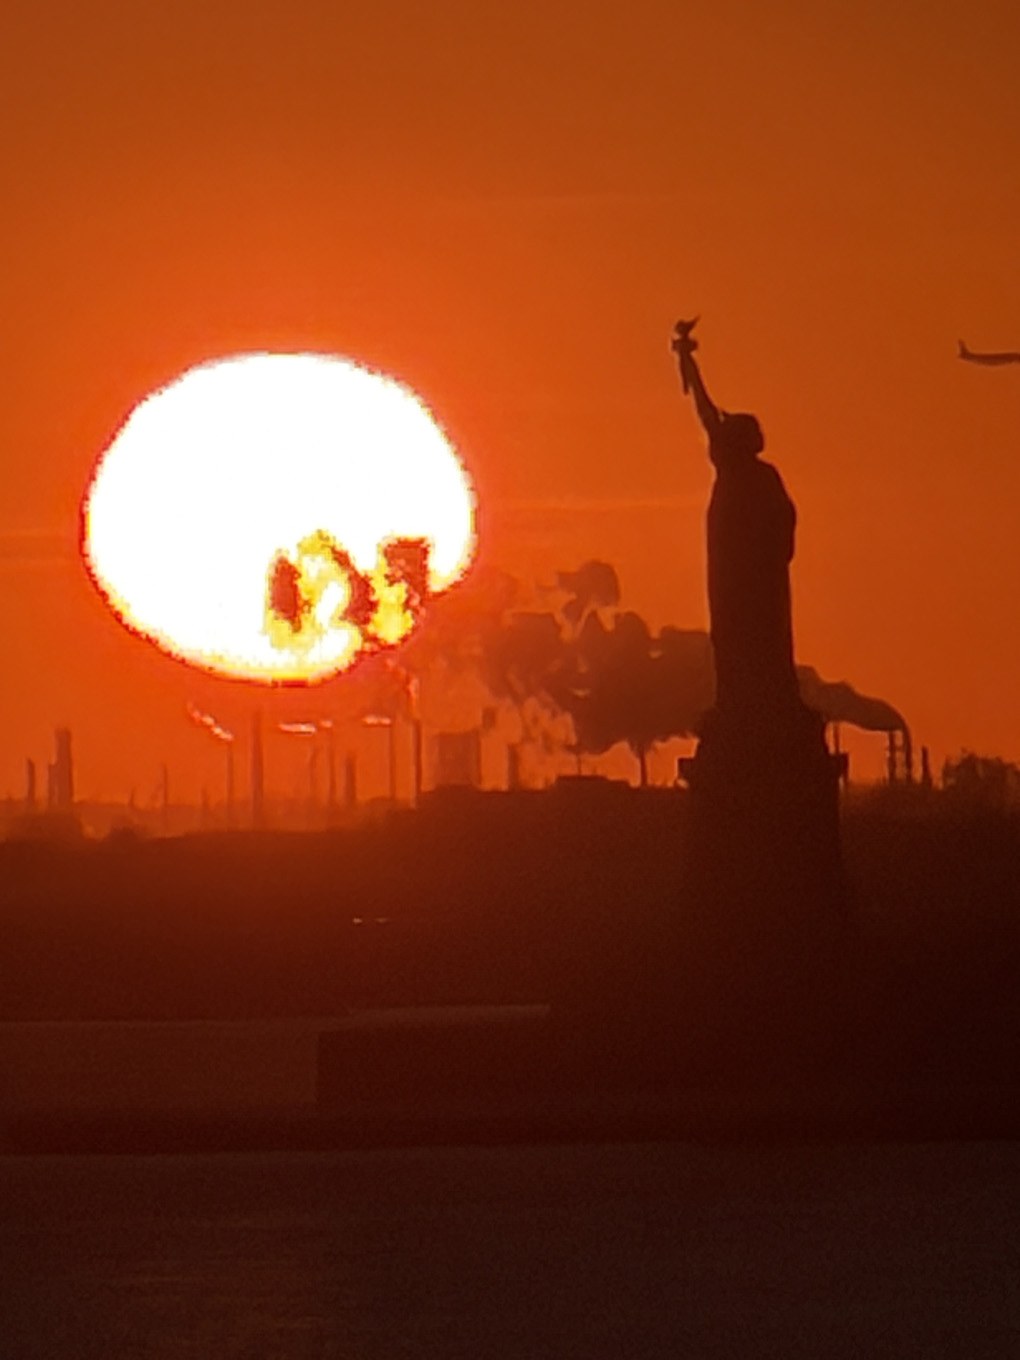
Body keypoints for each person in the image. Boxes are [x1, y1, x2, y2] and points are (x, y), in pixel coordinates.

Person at [672, 319, 800, 724]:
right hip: (739, 581)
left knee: (760, 640)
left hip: (756, 582)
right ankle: (743, 702)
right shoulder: (746, 473)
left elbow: (784, 525)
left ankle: (763, 702)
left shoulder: (757, 477)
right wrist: (688, 363)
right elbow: (705, 410)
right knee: (736, 638)